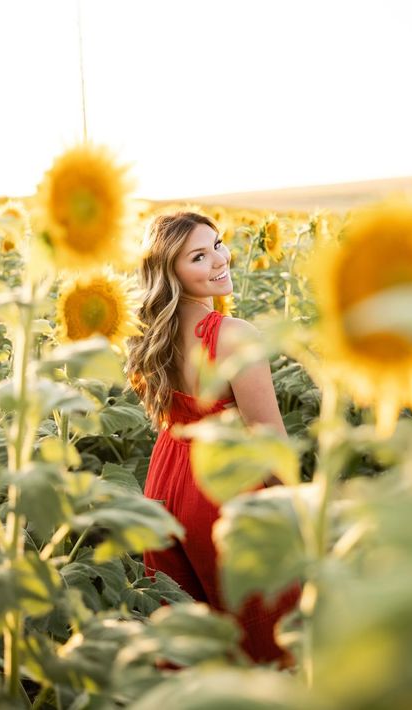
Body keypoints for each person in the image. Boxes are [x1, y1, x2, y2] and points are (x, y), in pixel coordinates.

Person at [125, 211, 300, 665]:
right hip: (223, 484)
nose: (220, 259)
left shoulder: (150, 334)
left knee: (189, 628)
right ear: (171, 272)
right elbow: (270, 443)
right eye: (198, 257)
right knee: (262, 623)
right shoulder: (235, 336)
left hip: (165, 481)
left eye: (217, 244)